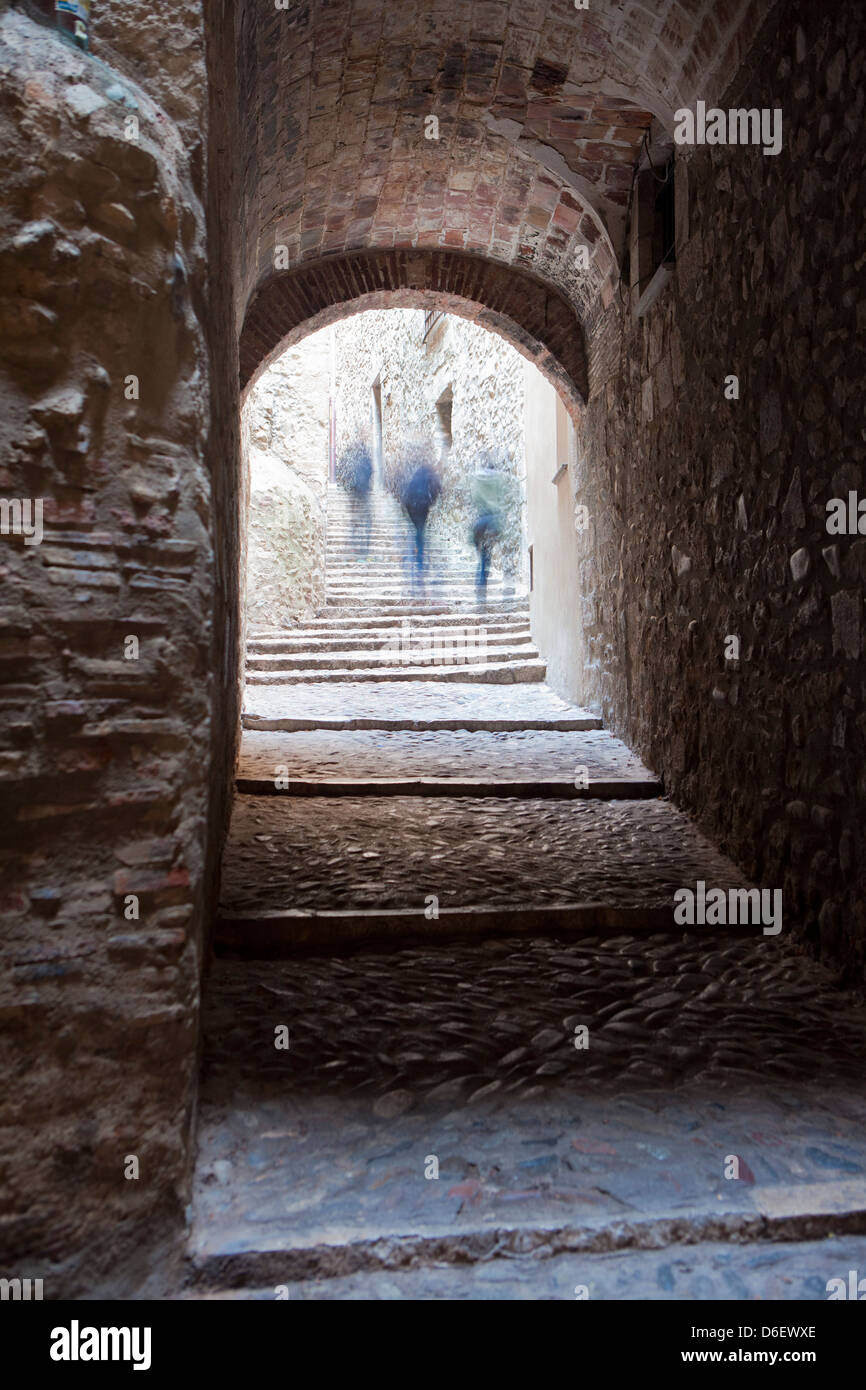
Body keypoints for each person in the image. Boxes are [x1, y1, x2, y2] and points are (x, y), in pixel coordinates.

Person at [400, 457, 442, 592]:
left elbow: (406, 493)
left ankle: (414, 554)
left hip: (411, 506)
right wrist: (431, 503)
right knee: (420, 532)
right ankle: (419, 561)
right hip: (423, 507)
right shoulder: (430, 477)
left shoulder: (415, 477)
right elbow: (438, 490)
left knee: (417, 530)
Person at [470, 456, 508, 600]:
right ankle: (481, 586)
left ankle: (479, 584)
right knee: (486, 558)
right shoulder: (497, 480)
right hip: (491, 521)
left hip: (479, 522)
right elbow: (501, 498)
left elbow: (474, 498)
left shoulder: (477, 479)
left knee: (481, 556)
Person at [343, 443, 373, 558]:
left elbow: (344, 472)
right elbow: (370, 471)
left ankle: (355, 544)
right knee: (366, 520)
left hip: (355, 493)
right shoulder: (365, 460)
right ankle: (363, 547)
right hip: (362, 492)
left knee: (356, 520)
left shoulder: (351, 458)